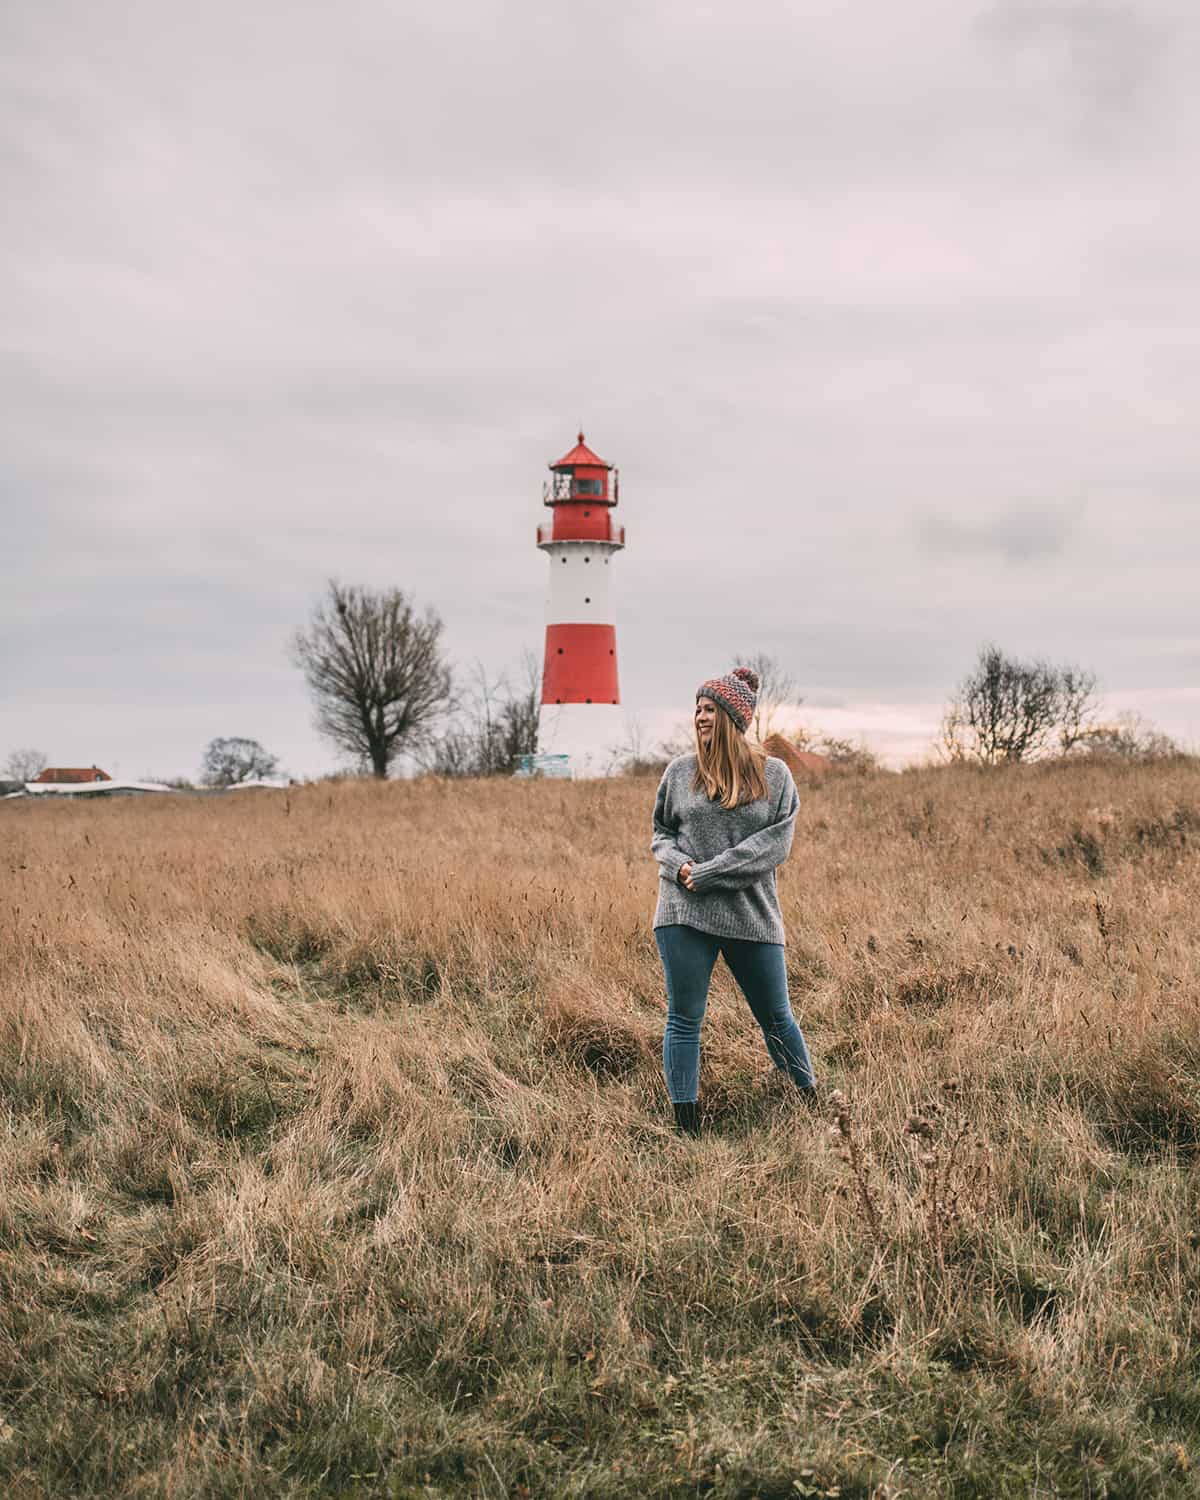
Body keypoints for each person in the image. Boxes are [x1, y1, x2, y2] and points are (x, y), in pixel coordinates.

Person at [651, 666, 815, 1135]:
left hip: (751, 914)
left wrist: (707, 873)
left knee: (777, 1017)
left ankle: (814, 1107)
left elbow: (774, 846)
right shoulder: (680, 773)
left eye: (708, 709)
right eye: (697, 709)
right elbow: (661, 833)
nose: (699, 717)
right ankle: (687, 1125)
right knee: (684, 1018)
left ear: (731, 718)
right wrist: (678, 866)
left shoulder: (775, 776)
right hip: (684, 912)